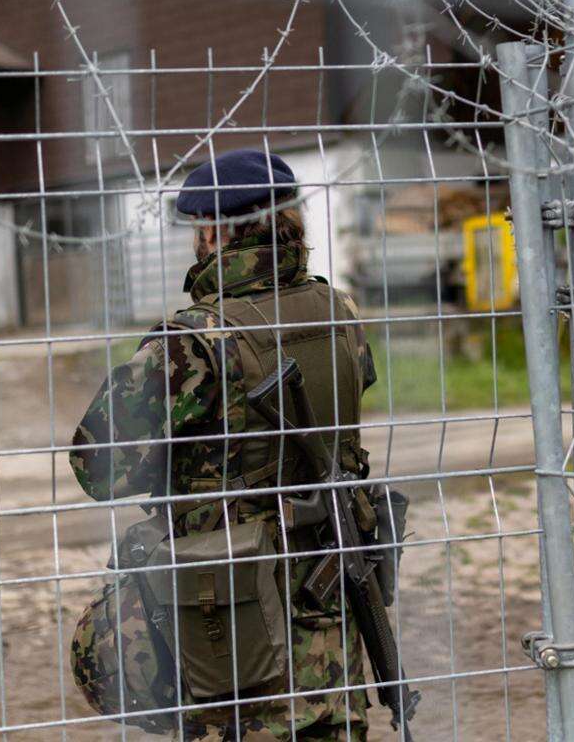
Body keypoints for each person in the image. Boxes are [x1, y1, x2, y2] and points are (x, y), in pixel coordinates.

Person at [69, 150, 381, 740]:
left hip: (230, 612)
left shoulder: (193, 342)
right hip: (328, 595)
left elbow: (98, 469)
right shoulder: (340, 311)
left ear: (214, 230)